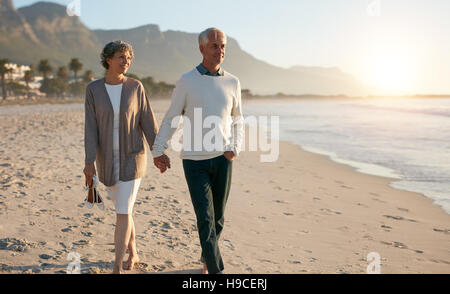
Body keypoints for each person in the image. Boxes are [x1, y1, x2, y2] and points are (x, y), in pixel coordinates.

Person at [152, 28, 244, 274]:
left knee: (219, 219)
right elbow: (172, 117)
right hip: (194, 161)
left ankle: (206, 258)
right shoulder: (187, 81)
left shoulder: (233, 82)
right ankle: (215, 271)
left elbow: (238, 119)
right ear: (202, 49)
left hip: (223, 159)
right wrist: (158, 150)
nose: (220, 50)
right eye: (214, 46)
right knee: (205, 217)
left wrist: (234, 148)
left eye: (223, 45)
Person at [83, 40, 169, 274]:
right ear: (108, 59)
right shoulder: (93, 90)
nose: (126, 61)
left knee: (122, 211)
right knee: (125, 210)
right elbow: (90, 128)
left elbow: (148, 123)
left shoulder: (135, 87)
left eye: (129, 57)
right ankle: (134, 252)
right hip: (107, 161)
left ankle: (116, 268)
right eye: (121, 56)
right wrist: (89, 161)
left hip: (133, 158)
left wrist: (158, 152)